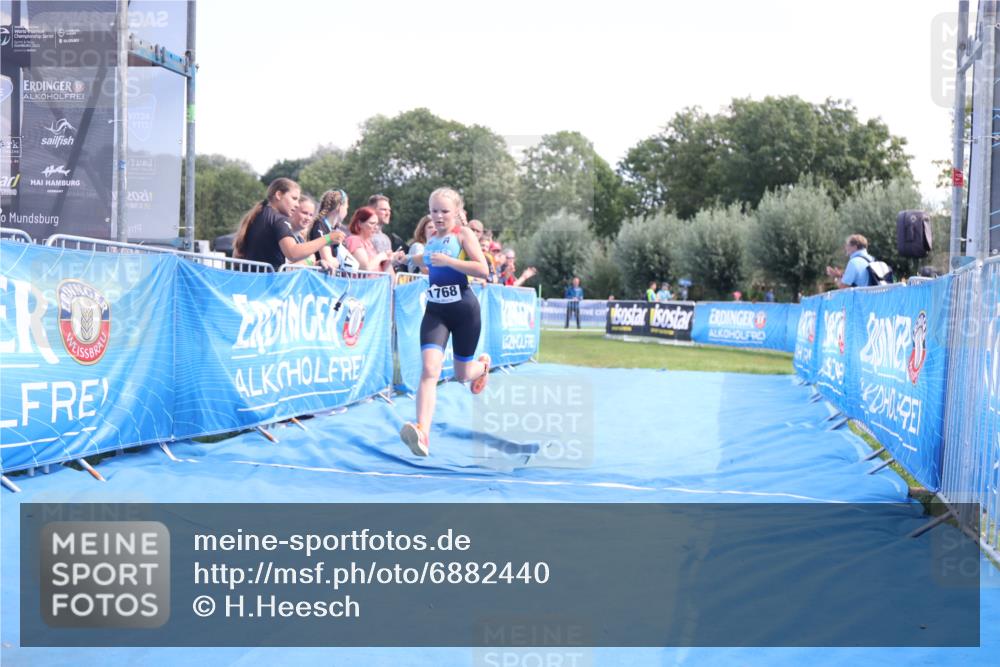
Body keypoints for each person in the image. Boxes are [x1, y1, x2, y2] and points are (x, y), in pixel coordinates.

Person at [399, 187, 491, 456]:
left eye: (444, 211)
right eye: (434, 211)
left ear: (457, 212)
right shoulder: (432, 240)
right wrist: (403, 258)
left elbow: (483, 269)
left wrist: (450, 261)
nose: (438, 217)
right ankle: (423, 433)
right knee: (429, 370)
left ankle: (482, 367)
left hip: (464, 311)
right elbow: (423, 258)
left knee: (462, 375)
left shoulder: (463, 235)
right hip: (436, 311)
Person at [233, 178, 344, 270]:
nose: (296, 205)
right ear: (279, 195)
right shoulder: (279, 219)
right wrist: (328, 238)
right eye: (294, 198)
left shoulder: (258, 213)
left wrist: (314, 264)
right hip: (269, 285)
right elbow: (293, 252)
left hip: (253, 281)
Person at [345, 207, 406, 273]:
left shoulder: (368, 243)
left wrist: (390, 259)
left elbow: (376, 267)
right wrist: (382, 256)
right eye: (371, 223)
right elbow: (366, 268)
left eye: (376, 224)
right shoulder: (354, 240)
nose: (376, 227)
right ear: (360, 224)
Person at [308, 189, 353, 270]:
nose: (347, 211)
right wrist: (346, 263)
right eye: (346, 207)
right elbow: (328, 260)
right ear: (339, 206)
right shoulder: (320, 225)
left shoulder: (334, 229)